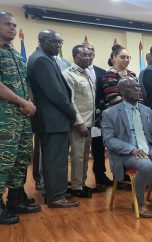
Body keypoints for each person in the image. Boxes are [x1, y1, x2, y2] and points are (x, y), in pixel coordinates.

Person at [102, 77, 152, 217]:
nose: (137, 89)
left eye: (137, 86)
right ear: (121, 92)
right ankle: (139, 203)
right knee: (146, 165)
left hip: (149, 148)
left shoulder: (146, 110)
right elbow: (109, 140)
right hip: (127, 153)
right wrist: (131, 149)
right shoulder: (110, 113)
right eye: (131, 87)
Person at [28, 29, 80, 208]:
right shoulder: (42, 60)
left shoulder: (43, 57)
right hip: (53, 119)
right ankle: (56, 197)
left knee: (52, 159)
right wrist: (73, 114)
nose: (58, 46)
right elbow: (56, 94)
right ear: (42, 40)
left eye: (60, 42)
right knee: (56, 160)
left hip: (50, 119)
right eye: (53, 42)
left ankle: (53, 193)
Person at [0, 11, 41, 225]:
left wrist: (29, 101)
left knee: (21, 158)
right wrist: (22, 102)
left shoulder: (15, 54)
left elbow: (25, 83)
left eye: (15, 25)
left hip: (22, 117)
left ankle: (16, 199)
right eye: (8, 24)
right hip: (4, 118)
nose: (13, 28)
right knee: (2, 161)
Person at [63, 45, 95, 198]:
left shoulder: (86, 73)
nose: (88, 57)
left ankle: (81, 184)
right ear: (74, 56)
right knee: (77, 155)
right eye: (84, 55)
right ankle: (76, 187)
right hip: (79, 123)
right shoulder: (69, 74)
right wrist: (80, 122)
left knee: (85, 155)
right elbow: (70, 101)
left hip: (89, 122)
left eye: (90, 55)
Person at [82, 42, 112, 187]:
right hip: (81, 117)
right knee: (81, 150)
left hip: (99, 117)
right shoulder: (74, 71)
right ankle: (80, 180)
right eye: (87, 49)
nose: (90, 52)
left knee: (99, 147)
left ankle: (100, 174)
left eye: (92, 49)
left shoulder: (102, 72)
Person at [102, 44, 138, 109]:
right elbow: (113, 97)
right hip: (118, 111)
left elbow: (139, 93)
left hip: (135, 109)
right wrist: (130, 107)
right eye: (122, 57)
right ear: (114, 58)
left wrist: (138, 107)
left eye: (128, 57)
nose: (126, 60)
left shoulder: (132, 74)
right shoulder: (110, 74)